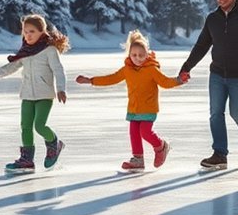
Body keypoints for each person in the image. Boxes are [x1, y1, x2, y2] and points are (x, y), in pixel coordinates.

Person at [179, 0, 238, 170]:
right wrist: (187, 66)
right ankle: (220, 154)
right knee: (216, 114)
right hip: (217, 74)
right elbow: (201, 45)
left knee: (237, 112)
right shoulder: (213, 19)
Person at [75, 30, 183, 172]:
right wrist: (91, 80)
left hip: (149, 108)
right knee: (134, 132)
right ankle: (138, 159)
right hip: (133, 108)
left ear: (147, 54)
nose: (137, 58)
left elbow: (165, 82)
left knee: (145, 132)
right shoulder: (127, 70)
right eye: (134, 55)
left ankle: (161, 146)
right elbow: (111, 78)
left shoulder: (151, 69)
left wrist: (179, 80)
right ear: (129, 55)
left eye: (141, 55)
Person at [0, 14, 70, 174]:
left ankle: (54, 143)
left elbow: (58, 70)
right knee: (25, 127)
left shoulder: (49, 50)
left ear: (42, 31)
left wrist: (61, 88)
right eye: (25, 32)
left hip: (44, 95)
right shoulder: (25, 51)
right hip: (27, 94)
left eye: (32, 31)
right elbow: (11, 67)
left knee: (40, 126)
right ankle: (27, 160)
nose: (28, 35)